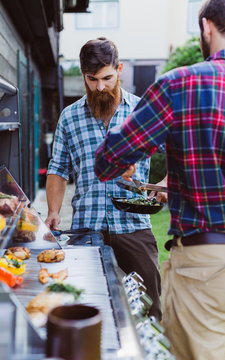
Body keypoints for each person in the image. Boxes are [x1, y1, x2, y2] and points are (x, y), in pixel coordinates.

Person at [94, 1, 225, 359]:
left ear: (206, 28)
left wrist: (131, 157)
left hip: (209, 263)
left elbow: (108, 161)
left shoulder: (183, 82)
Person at [45, 37, 162, 320]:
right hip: (87, 229)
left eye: (107, 78)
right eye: (92, 79)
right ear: (83, 75)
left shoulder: (142, 111)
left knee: (150, 308)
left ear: (119, 69)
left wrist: (165, 183)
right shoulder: (69, 117)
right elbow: (59, 169)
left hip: (134, 225)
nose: (100, 87)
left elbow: (181, 150)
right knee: (86, 306)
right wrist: (52, 211)